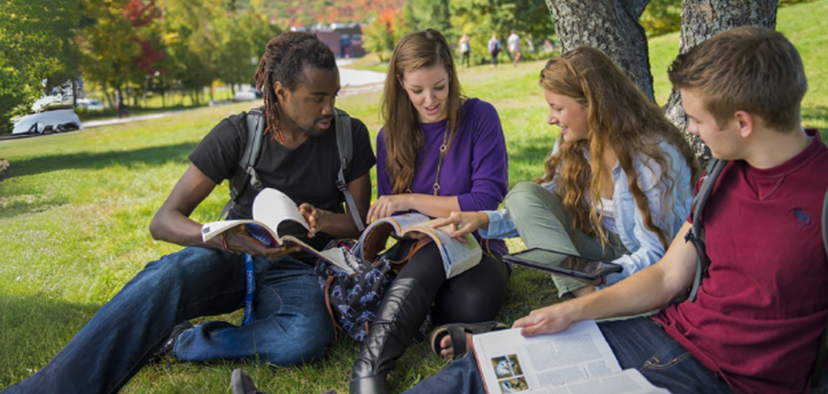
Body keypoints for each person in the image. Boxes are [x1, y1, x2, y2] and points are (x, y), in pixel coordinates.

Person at [406, 26, 828, 394]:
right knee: (490, 370)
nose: (692, 129)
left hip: (724, 381)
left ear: (743, 122)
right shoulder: (722, 177)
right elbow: (666, 275)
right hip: (665, 336)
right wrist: (573, 310)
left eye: (697, 118)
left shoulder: (819, 200)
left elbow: (656, 258)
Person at [3, 31, 376, 394]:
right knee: (168, 276)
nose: (329, 108)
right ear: (281, 92)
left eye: (334, 96)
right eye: (317, 98)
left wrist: (324, 220)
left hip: (299, 266)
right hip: (233, 255)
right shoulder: (238, 134)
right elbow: (164, 221)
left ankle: (184, 342)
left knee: (304, 338)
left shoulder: (349, 135)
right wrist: (227, 239)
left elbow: (361, 226)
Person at [438, 46, 697, 308]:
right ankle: (587, 299)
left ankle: (590, 302)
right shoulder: (576, 144)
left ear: (593, 105)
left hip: (645, 267)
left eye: (557, 108)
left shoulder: (652, 156)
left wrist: (598, 275)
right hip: (598, 249)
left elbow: (658, 255)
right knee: (522, 195)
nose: (551, 119)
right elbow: (542, 209)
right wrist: (485, 219)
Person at [349, 29, 510, 394]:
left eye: (439, 86)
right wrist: (399, 218)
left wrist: (410, 199)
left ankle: (418, 323)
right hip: (420, 253)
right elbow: (392, 219)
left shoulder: (479, 116)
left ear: (450, 74)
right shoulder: (390, 136)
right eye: (417, 90)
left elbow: (484, 200)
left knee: (470, 307)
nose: (431, 100)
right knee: (434, 247)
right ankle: (368, 371)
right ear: (401, 84)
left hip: (478, 246)